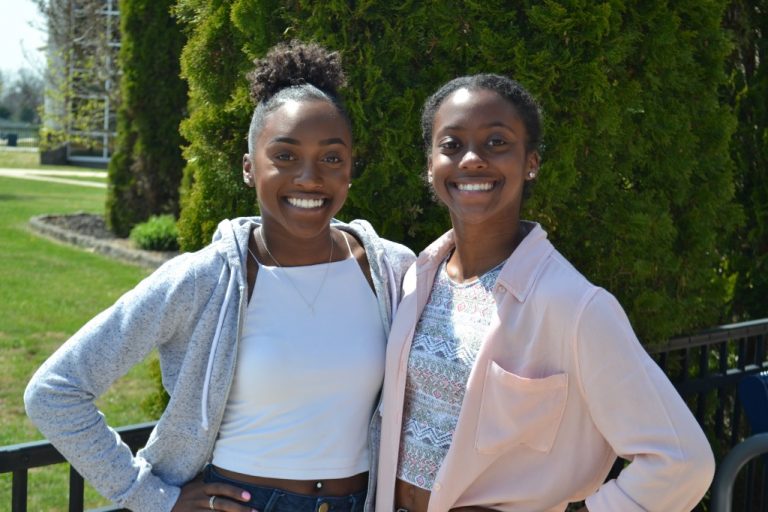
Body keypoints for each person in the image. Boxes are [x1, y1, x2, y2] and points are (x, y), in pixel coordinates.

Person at [24, 40, 415, 512]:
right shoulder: (204, 279)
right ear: (250, 168)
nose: (310, 177)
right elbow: (54, 391)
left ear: (350, 169)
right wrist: (151, 496)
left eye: (331, 158)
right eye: (285, 156)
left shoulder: (391, 272)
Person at [376, 74, 715, 512]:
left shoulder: (575, 306)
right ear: (430, 165)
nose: (472, 159)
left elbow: (683, 460)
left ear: (530, 162)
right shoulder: (413, 280)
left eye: (496, 143)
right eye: (452, 145)